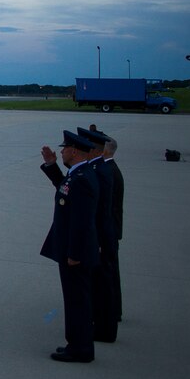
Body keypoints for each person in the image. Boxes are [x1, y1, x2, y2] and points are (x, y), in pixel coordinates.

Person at [39, 130, 100, 362]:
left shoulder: (83, 179)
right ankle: (76, 343)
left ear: (74, 151)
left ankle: (81, 349)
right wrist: (52, 165)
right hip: (73, 250)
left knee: (78, 301)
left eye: (64, 149)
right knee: (75, 299)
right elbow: (64, 188)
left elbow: (82, 222)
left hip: (76, 253)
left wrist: (74, 253)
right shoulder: (79, 174)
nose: (62, 151)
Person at [76, 126, 118, 343]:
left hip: (98, 236)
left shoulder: (99, 172)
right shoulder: (100, 169)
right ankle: (105, 325)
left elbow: (97, 210)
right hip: (102, 235)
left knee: (101, 285)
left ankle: (104, 329)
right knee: (103, 284)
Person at [102, 135, 124, 322]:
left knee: (108, 273)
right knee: (111, 273)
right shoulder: (110, 169)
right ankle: (114, 310)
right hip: (112, 228)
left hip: (108, 230)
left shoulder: (109, 171)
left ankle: (112, 312)